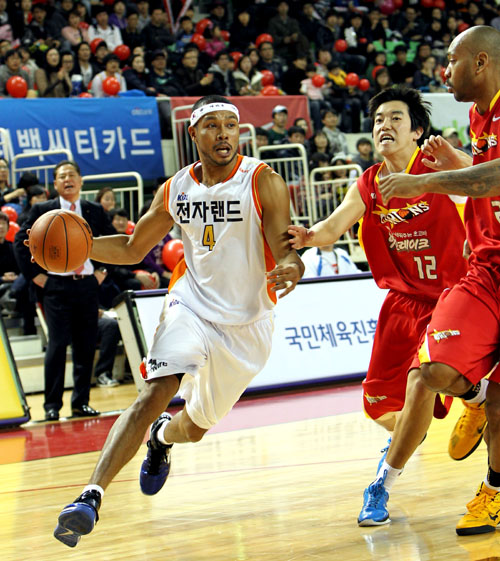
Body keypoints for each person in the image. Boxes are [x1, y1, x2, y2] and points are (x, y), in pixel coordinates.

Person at [53, 94, 304, 547]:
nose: (224, 134)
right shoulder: (175, 188)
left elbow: (284, 247)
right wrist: (80, 246)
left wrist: (293, 266)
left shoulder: (262, 180)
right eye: (212, 125)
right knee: (156, 390)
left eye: (231, 125)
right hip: (190, 304)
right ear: (193, 133)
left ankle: (162, 438)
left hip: (247, 324)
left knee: (195, 427)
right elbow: (133, 248)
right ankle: (90, 497)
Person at [288, 85, 468, 523]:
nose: (384, 126)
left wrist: (458, 160)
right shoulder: (369, 182)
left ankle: (381, 485)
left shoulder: (438, 166)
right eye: (378, 120)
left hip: (452, 298)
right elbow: (332, 228)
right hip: (402, 302)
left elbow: (484, 178)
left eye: (395, 118)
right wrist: (306, 237)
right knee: (378, 406)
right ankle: (413, 432)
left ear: (417, 131)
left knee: (421, 382)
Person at [371, 25, 500, 536]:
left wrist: (422, 180)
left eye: (451, 60)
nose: (443, 70)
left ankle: (493, 492)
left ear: (481, 62)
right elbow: (485, 174)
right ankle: (475, 396)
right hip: (486, 269)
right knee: (432, 371)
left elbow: (495, 178)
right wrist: (460, 162)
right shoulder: (478, 114)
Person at [14, 160, 116, 422]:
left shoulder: (94, 210)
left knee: (85, 345)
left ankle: (81, 403)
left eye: (71, 175)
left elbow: (113, 242)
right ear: (55, 183)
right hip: (56, 287)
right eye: (62, 176)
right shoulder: (43, 210)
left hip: (87, 284)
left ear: (81, 181)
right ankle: (52, 405)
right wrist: (36, 275)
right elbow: (19, 241)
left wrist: (102, 271)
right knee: (57, 345)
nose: (67, 179)